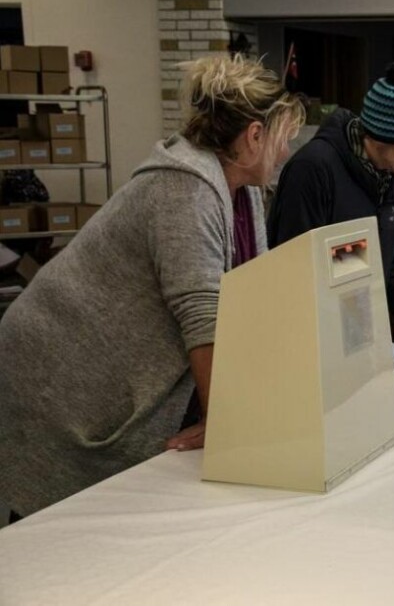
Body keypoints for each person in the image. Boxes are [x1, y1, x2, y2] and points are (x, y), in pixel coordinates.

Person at [0, 54, 305, 517]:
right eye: (284, 140)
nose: (286, 153)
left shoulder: (242, 190)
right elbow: (204, 315)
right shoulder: (185, 188)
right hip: (57, 370)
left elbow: (247, 301)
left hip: (89, 359)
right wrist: (228, 423)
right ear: (254, 136)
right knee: (57, 533)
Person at [267, 61, 394, 348]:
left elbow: (386, 265)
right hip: (312, 337)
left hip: (362, 333)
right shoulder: (313, 169)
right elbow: (291, 269)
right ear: (382, 136)